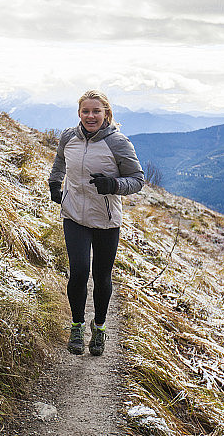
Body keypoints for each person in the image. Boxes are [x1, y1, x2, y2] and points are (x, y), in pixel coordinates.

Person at [48, 90, 145, 355]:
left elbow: (137, 179)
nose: (90, 116)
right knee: (78, 272)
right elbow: (59, 162)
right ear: (79, 113)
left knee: (101, 276)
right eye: (85, 111)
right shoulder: (69, 136)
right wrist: (55, 184)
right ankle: (77, 326)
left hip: (106, 219)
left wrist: (113, 184)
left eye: (96, 111)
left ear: (106, 114)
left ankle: (99, 327)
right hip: (74, 215)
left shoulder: (119, 143)